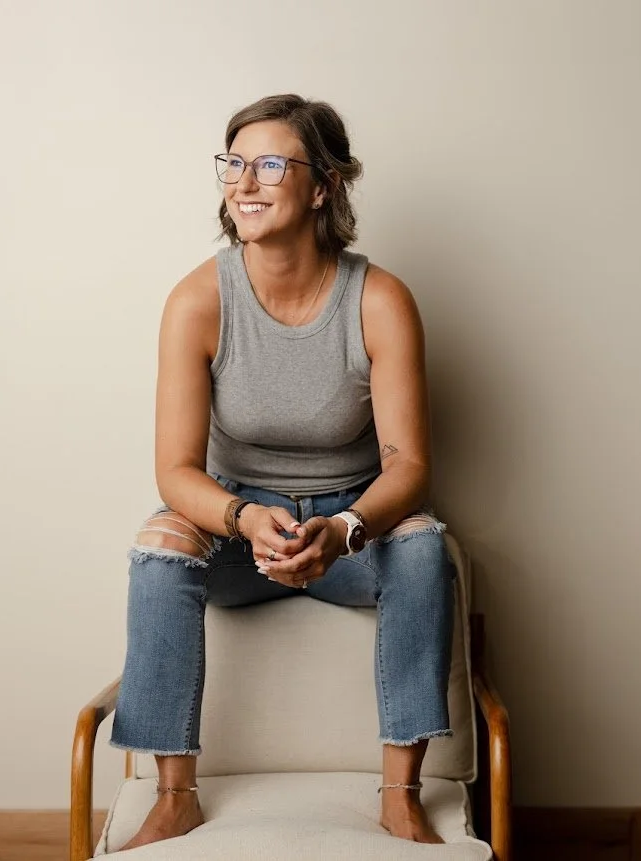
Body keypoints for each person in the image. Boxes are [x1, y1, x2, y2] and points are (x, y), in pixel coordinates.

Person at [110, 94, 457, 851]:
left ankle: (400, 794)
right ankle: (175, 796)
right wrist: (241, 518)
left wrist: (344, 527)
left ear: (323, 186)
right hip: (238, 525)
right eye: (233, 163)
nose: (244, 182)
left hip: (347, 526)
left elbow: (410, 464)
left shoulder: (381, 299)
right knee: (158, 545)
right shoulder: (198, 299)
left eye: (271, 163)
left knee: (426, 544)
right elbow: (175, 469)